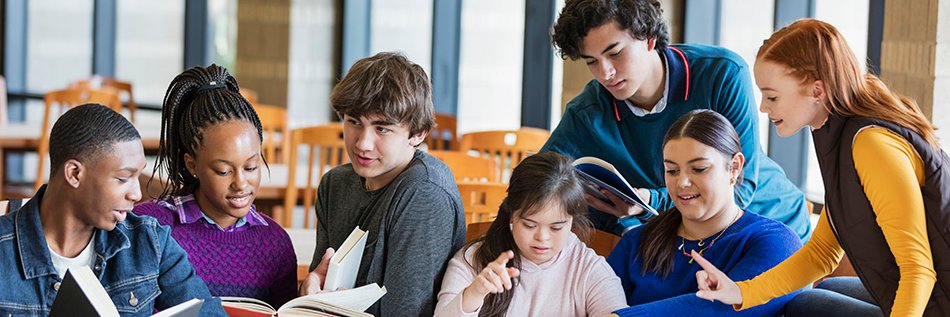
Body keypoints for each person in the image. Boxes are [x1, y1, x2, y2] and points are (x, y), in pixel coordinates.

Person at [692, 19, 950, 316]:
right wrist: (740, 291)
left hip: (935, 296)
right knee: (826, 290)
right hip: (928, 292)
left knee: (807, 306)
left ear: (817, 90)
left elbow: (918, 269)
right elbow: (822, 253)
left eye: (772, 96)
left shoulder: (871, 145)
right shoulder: (837, 137)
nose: (763, 107)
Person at [542, 0, 810, 239]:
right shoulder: (587, 111)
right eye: (591, 61)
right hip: (687, 239)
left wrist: (651, 202)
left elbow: (738, 187)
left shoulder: (722, 73)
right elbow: (538, 179)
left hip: (770, 226)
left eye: (615, 53)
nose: (605, 73)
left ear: (649, 37)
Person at [0, 104, 226, 316]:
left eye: (137, 177)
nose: (136, 194)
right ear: (74, 174)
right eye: (122, 179)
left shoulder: (151, 242)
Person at [298, 52, 466, 316]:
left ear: (418, 133)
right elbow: (319, 287)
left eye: (382, 128)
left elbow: (405, 313)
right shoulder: (335, 184)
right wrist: (308, 291)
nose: (362, 144)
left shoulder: (424, 192)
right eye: (354, 122)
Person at [605, 109, 801, 316]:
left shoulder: (777, 242)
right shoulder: (638, 241)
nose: (682, 182)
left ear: (734, 167)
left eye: (699, 169)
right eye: (672, 171)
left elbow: (724, 309)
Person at [133, 65, 297, 307]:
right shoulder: (152, 226)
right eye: (223, 171)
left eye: (251, 167)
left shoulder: (275, 243)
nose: (241, 183)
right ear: (192, 165)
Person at [434, 152, 627, 316]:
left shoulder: (588, 268)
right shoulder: (474, 258)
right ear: (512, 215)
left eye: (556, 227)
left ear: (572, 220)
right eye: (529, 225)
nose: (542, 237)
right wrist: (475, 292)